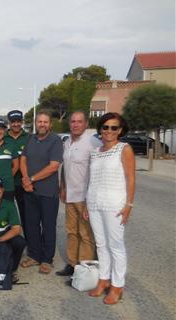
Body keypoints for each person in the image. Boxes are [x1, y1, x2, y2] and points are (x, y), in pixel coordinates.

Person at [84, 112, 135, 305]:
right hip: (95, 203)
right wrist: (88, 204)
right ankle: (103, 280)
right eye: (105, 127)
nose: (109, 131)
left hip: (115, 204)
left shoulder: (124, 149)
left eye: (114, 127)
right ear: (100, 129)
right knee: (101, 245)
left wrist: (129, 205)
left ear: (120, 130)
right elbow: (92, 179)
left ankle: (117, 286)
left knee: (116, 246)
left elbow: (131, 178)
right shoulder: (96, 151)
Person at [56, 111, 101, 278]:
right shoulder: (67, 142)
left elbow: (98, 172)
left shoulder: (93, 142)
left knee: (86, 234)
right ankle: (72, 264)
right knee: (71, 232)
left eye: (79, 122)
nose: (75, 124)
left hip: (85, 197)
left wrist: (91, 200)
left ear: (86, 124)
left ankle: (84, 271)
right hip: (70, 196)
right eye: (73, 121)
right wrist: (62, 186)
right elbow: (65, 168)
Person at [19, 111, 63, 274]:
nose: (42, 124)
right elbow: (23, 159)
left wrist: (31, 179)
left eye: (45, 122)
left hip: (48, 193)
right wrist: (25, 178)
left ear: (50, 124)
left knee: (48, 226)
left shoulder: (55, 141)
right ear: (36, 123)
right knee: (31, 225)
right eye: (40, 122)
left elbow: (53, 166)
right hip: (30, 191)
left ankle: (47, 260)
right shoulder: (30, 138)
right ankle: (34, 256)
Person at [5, 110, 29, 238]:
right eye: (13, 122)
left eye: (18, 121)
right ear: (9, 123)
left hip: (23, 183)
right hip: (7, 184)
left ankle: (29, 243)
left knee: (26, 215)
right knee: (7, 215)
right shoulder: (2, 138)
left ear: (22, 122)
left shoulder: (29, 138)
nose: (16, 124)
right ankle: (8, 243)